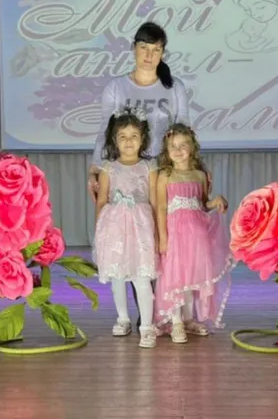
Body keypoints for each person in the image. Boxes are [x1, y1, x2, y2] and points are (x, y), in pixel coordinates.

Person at [88, 22, 190, 329]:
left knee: (165, 241)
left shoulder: (174, 87)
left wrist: (192, 169)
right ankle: (146, 315)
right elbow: (105, 131)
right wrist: (95, 169)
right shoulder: (117, 88)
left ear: (163, 53)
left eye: (156, 49)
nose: (149, 55)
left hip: (165, 173)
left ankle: (170, 311)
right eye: (144, 48)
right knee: (135, 243)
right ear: (134, 48)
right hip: (128, 174)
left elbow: (184, 130)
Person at [154, 124, 235, 343]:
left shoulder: (200, 175)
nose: (178, 150)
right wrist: (162, 237)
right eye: (173, 146)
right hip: (174, 233)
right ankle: (176, 321)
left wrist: (215, 201)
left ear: (192, 147)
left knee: (192, 275)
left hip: (196, 233)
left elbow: (202, 204)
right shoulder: (165, 175)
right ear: (166, 150)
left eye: (183, 145)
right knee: (175, 275)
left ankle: (189, 319)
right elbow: (160, 207)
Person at [92, 107, 158, 348]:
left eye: (134, 136)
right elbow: (102, 201)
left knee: (142, 276)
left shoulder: (149, 167)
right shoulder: (108, 168)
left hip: (141, 228)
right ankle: (123, 318)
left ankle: (147, 326)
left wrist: (158, 232)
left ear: (143, 139)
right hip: (115, 228)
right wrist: (99, 234)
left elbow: (155, 201)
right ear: (114, 140)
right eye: (123, 137)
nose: (128, 142)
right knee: (118, 276)